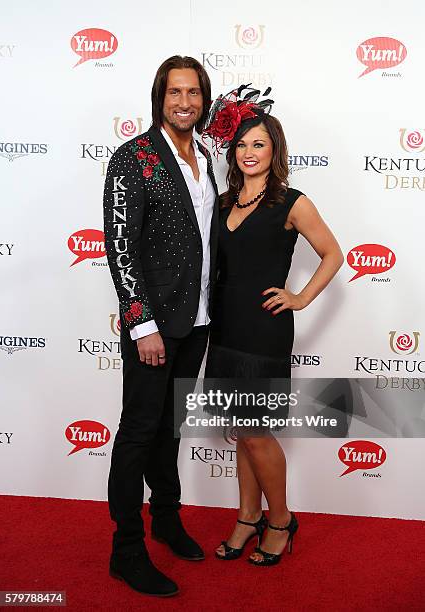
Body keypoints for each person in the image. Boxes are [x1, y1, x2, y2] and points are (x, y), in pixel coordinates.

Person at [203, 85, 344, 566]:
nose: (248, 152)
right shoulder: (221, 204)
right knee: (241, 430)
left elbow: (333, 253)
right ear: (231, 150)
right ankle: (247, 517)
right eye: (241, 144)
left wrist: (301, 297)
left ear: (275, 149)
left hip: (264, 331)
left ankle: (281, 520)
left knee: (258, 431)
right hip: (223, 330)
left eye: (258, 143)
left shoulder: (292, 202)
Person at [103, 56, 219, 596]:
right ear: (160, 96)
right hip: (154, 325)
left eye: (194, 93)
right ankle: (126, 550)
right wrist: (140, 324)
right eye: (175, 92)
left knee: (170, 428)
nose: (185, 103)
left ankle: (165, 520)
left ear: (203, 98)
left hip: (196, 321)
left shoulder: (207, 156)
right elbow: (120, 248)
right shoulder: (134, 157)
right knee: (138, 432)